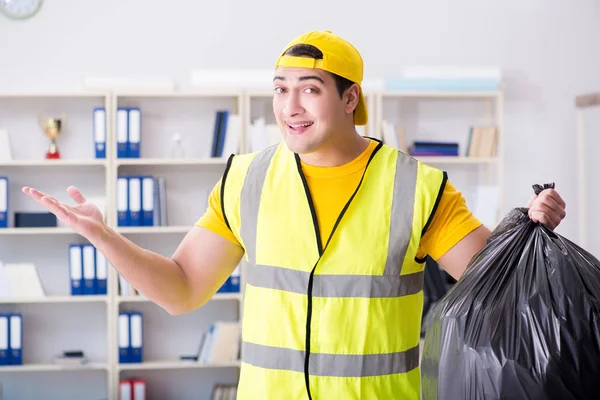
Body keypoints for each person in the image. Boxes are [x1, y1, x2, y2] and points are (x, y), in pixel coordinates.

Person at [22, 30, 566, 399]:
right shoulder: (247, 179)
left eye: (310, 90)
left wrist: (530, 226)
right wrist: (103, 237)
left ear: (350, 98)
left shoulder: (416, 187)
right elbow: (181, 290)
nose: (291, 108)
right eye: (281, 91)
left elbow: (496, 281)